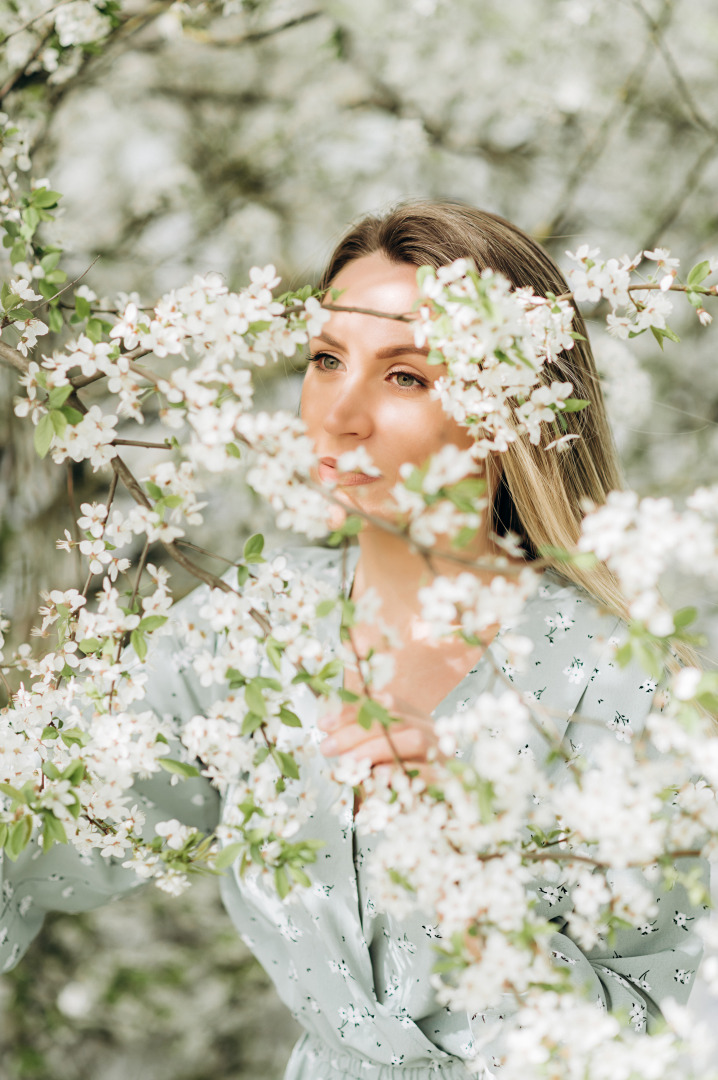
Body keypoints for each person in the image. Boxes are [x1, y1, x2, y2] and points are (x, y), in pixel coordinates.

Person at [0, 201, 706, 1079]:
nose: (340, 415)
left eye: (405, 376)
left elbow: (680, 1043)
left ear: (511, 406)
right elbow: (45, 829)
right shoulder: (246, 631)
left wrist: (472, 888)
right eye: (326, 360)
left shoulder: (624, 691)